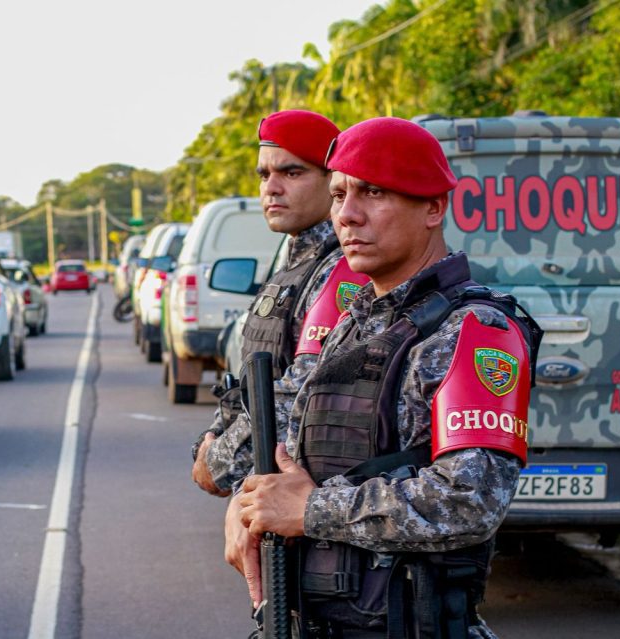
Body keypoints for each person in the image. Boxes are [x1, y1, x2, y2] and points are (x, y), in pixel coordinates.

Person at [228, 117, 541, 638]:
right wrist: (251, 503)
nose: (348, 215)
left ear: (433, 208)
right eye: (338, 193)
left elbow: (469, 502)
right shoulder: (359, 320)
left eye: (374, 193)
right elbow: (299, 451)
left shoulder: (474, 330)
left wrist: (310, 509)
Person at [191, 110, 369, 497]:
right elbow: (252, 380)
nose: (271, 188)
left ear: (332, 180)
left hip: (314, 494)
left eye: (291, 173)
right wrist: (212, 435)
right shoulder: (296, 260)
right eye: (264, 175)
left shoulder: (342, 268)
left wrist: (218, 460)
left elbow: (300, 389)